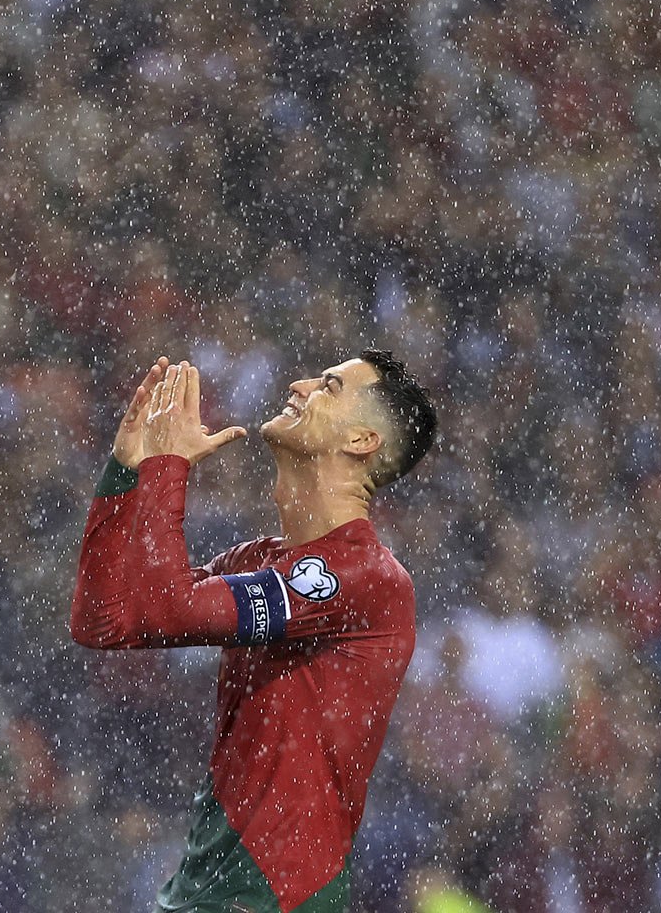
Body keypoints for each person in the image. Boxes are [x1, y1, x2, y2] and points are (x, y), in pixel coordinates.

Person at [72, 351, 437, 912]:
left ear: (363, 440)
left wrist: (168, 467)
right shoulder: (263, 560)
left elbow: (172, 609)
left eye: (329, 386)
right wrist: (127, 472)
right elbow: (108, 621)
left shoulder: (368, 578)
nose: (299, 382)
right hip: (205, 885)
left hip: (278, 894)